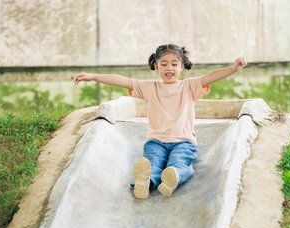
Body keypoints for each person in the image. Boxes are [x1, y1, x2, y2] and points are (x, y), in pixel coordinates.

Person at [74, 44, 247, 199]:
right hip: (156, 141)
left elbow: (211, 76)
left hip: (183, 142)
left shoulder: (189, 86)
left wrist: (233, 68)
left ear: (182, 67)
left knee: (180, 162)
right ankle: (146, 182)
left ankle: (172, 177)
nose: (169, 68)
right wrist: (93, 76)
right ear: (156, 67)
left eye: (174, 64)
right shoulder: (149, 87)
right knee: (152, 162)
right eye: (164, 64)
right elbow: (122, 80)